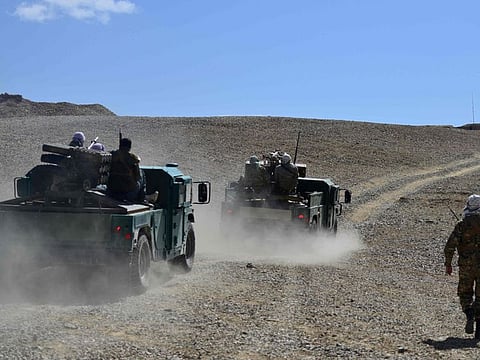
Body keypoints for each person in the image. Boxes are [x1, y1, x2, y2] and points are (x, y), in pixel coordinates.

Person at [445, 194, 480, 338]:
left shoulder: (461, 224)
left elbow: (450, 246)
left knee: (465, 293)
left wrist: (448, 264)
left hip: (466, 266)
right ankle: (479, 332)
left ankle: (469, 313)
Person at [107, 138, 144, 202]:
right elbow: (137, 177)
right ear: (129, 148)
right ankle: (142, 197)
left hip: (111, 192)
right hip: (128, 194)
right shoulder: (133, 158)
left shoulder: (111, 155)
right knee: (142, 174)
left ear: (119, 146)